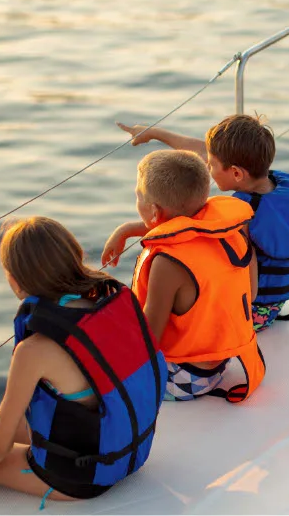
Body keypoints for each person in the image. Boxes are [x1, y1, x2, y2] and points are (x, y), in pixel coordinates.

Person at [0, 217, 163, 507]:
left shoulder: (35, 350)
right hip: (122, 449)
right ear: (75, 256)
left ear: (14, 281)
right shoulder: (108, 303)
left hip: (80, 478)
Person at [109, 115, 289, 332]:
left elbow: (185, 228)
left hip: (251, 314)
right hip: (276, 303)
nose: (207, 168)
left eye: (211, 165)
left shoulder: (242, 217)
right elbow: (200, 149)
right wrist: (154, 133)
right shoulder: (280, 182)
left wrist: (127, 230)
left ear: (235, 173)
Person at [103, 149, 265, 402]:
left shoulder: (168, 263)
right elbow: (251, 293)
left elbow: (148, 339)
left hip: (184, 378)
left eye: (138, 196)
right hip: (222, 360)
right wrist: (126, 230)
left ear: (154, 211)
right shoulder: (233, 233)